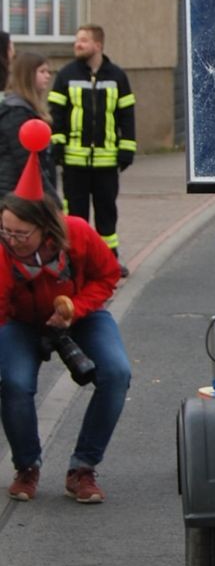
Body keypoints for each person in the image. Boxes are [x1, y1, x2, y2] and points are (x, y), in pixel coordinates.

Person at [1, 120, 130, 503]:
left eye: (20, 234)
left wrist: (76, 308)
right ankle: (27, 465)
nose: (11, 240)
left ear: (46, 229)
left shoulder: (77, 233)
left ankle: (82, 469)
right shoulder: (4, 253)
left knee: (117, 372)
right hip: (21, 321)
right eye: (4, 231)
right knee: (14, 383)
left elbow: (108, 275)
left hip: (81, 314)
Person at [47, 24, 136, 277]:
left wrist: (127, 148)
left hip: (107, 162)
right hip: (74, 161)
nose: (77, 44)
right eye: (77, 40)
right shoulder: (65, 75)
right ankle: (77, 264)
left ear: (98, 45)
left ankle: (109, 261)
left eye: (83, 40)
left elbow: (127, 117)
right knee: (76, 216)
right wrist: (58, 146)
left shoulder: (118, 76)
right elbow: (57, 115)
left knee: (107, 213)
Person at [0, 53, 57, 196]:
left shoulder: (28, 110)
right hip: (13, 194)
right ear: (28, 75)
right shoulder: (17, 112)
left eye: (48, 72)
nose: (48, 76)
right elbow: (27, 162)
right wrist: (51, 198)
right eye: (42, 71)